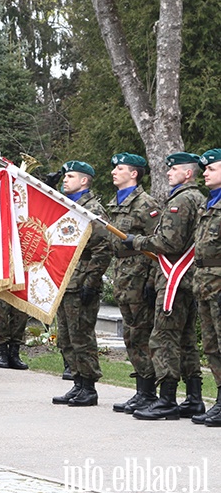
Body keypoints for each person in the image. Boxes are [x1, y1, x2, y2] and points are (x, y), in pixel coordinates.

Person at [124, 152, 205, 421]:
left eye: (174, 170)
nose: (168, 173)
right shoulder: (198, 198)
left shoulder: (182, 200)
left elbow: (169, 243)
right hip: (188, 279)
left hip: (175, 279)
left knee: (164, 338)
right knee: (186, 340)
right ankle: (193, 398)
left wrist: (137, 242)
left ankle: (167, 399)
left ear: (188, 174)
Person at [51, 161, 112, 408]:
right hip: (66, 279)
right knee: (65, 336)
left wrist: (91, 281)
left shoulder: (92, 209)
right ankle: (77, 382)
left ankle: (89, 387)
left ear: (84, 181)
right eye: (65, 176)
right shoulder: (66, 206)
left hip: (82, 281)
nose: (66, 180)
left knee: (81, 336)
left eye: (71, 176)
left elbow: (103, 248)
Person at [106, 153, 162, 413]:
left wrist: (152, 281)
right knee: (130, 335)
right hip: (123, 275)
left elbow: (156, 243)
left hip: (139, 276)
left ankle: (149, 391)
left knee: (141, 334)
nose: (114, 172)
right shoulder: (116, 202)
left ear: (134, 174)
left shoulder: (145, 203)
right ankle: (141, 390)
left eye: (120, 168)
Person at [193, 149, 221, 426]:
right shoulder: (208, 204)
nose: (205, 173)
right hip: (205, 284)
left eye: (211, 168)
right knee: (212, 347)